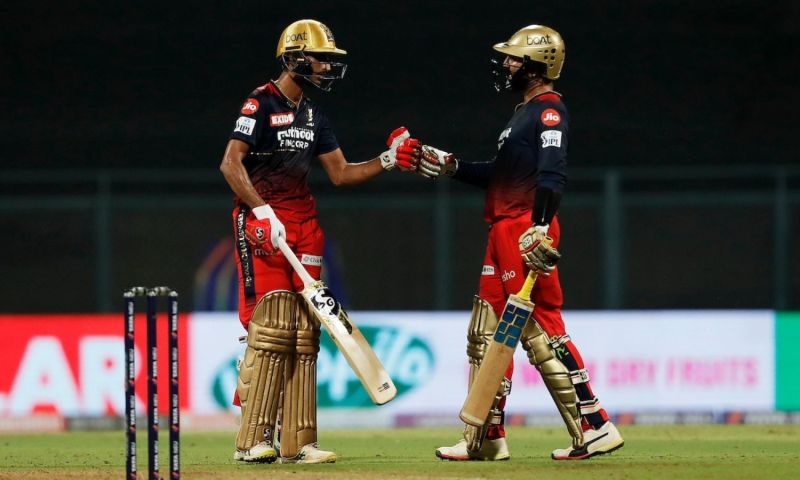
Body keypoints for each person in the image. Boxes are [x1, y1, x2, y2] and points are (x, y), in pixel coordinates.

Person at [407, 25, 624, 461]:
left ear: (537, 66)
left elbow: (552, 172)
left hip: (525, 227)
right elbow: (499, 174)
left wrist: (539, 227)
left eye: (513, 58)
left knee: (540, 327)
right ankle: (486, 436)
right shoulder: (522, 113)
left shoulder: (549, 111)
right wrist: (450, 165)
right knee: (486, 331)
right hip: (503, 227)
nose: (506, 64)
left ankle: (595, 424)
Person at [219, 18, 417, 464]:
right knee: (269, 328)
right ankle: (252, 438)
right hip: (263, 222)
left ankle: (297, 442)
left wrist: (387, 160)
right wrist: (261, 209)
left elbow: (341, 173)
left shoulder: (314, 115)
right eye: (320, 58)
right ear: (294, 57)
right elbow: (231, 163)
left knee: (305, 334)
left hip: (304, 225)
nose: (327, 67)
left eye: (330, 60)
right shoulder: (260, 102)